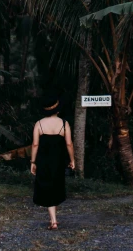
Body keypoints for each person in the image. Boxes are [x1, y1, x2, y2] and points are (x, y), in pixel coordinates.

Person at [30, 94, 75, 230]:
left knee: (47, 188)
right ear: (57, 109)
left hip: (43, 161)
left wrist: (33, 161)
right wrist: (72, 160)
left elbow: (35, 145)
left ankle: (53, 221)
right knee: (55, 187)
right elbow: (69, 144)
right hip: (58, 161)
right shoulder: (64, 123)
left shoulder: (39, 124)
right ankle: (54, 220)